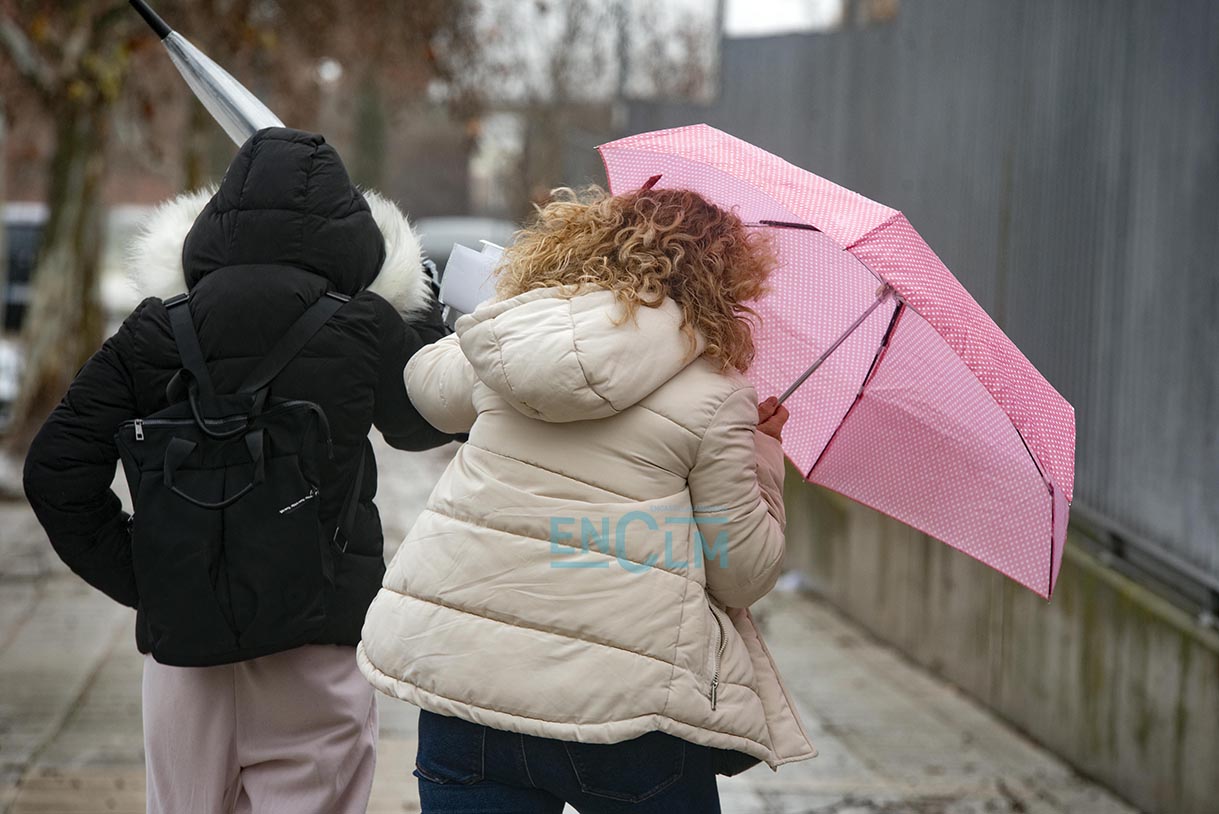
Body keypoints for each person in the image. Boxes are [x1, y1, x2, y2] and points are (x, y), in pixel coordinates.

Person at [22, 127, 456, 813]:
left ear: (216, 222)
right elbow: (427, 422)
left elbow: (55, 471)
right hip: (317, 643)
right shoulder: (365, 327)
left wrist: (151, 577)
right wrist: (421, 307)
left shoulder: (156, 329)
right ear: (346, 231)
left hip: (186, 652)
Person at [359, 185, 816, 812]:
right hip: (625, 712)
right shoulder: (717, 393)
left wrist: (506, 310)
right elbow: (740, 571)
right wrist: (763, 455)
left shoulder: (518, 333)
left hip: (470, 690)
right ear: (723, 281)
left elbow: (427, 391)